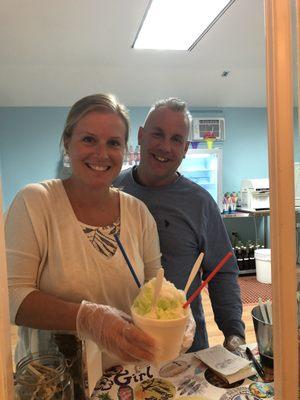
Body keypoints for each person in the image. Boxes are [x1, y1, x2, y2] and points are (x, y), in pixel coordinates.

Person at [5, 93, 164, 384]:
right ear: (67, 143)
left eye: (113, 143)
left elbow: (156, 289)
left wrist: (176, 317)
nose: (101, 153)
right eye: (89, 139)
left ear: (125, 151)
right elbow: (13, 299)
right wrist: (87, 318)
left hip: (128, 376)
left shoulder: (138, 213)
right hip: (56, 381)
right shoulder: (35, 202)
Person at [114, 97, 246, 352]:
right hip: (120, 346)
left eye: (176, 139)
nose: (165, 146)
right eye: (157, 134)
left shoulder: (200, 203)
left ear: (185, 149)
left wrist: (233, 332)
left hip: (185, 349)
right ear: (140, 135)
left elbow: (222, 272)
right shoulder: (111, 190)